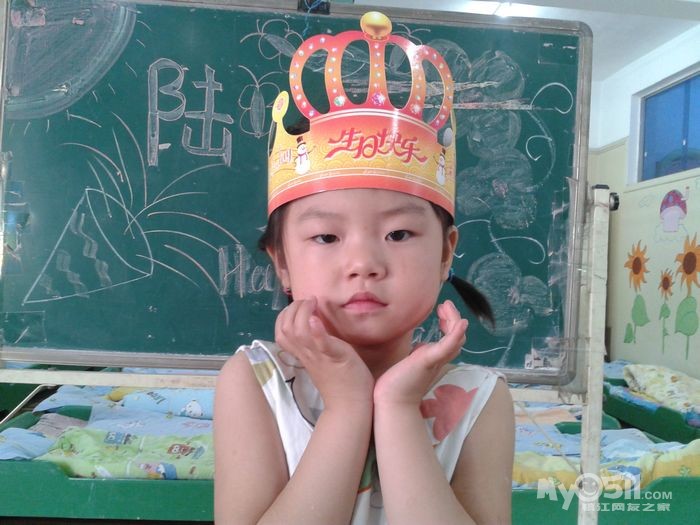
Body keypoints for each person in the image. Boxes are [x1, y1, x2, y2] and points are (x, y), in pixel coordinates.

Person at [214, 11, 514, 524]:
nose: (364, 264)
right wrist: (348, 406)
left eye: (398, 234)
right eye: (326, 237)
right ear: (282, 262)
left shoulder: (478, 400)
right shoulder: (255, 382)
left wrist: (396, 407)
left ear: (446, 253)